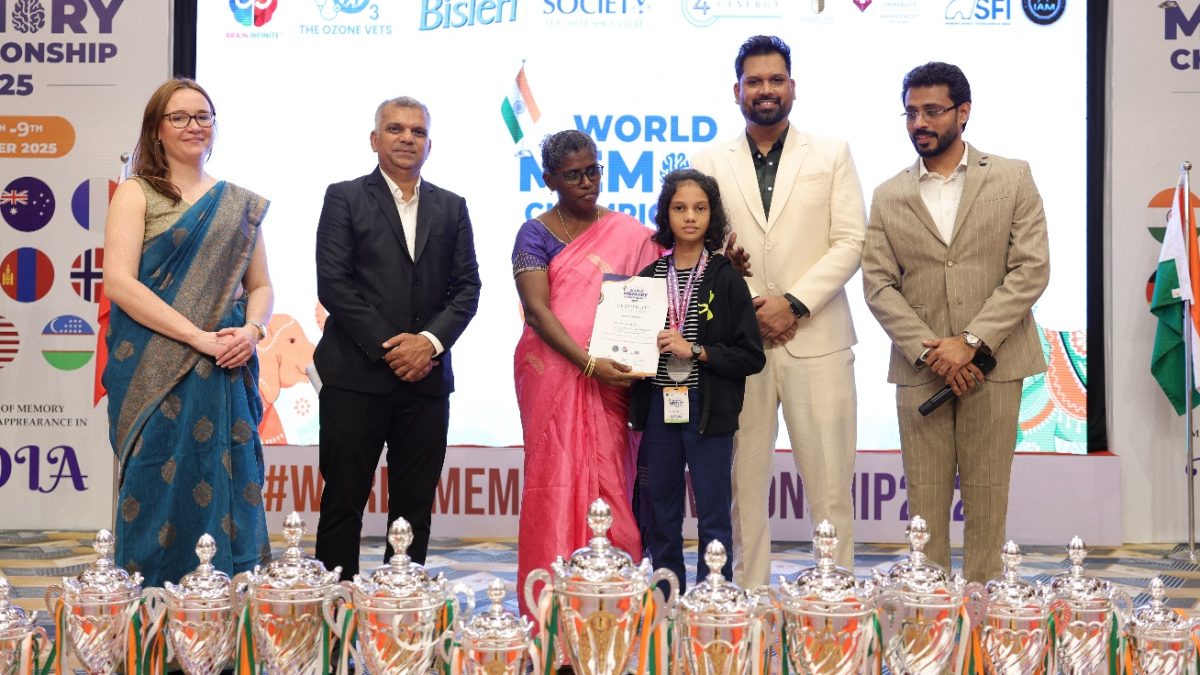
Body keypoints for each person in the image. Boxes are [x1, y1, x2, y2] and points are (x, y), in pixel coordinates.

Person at [861, 62, 1050, 582]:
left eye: (932, 111)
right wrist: (934, 352)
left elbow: (1031, 269)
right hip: (921, 370)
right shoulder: (888, 194)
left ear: (963, 112)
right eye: (910, 112)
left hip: (996, 365)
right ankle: (932, 619)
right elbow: (878, 285)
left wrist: (970, 342)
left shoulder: (1012, 176)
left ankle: (983, 621)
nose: (919, 122)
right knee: (923, 510)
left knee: (988, 504)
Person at [691, 35, 867, 586]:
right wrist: (740, 292)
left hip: (819, 340)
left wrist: (792, 303)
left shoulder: (831, 153)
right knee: (743, 486)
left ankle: (834, 600)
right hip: (739, 347)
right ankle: (749, 599)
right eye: (754, 81)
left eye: (775, 80)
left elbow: (850, 241)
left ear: (792, 87)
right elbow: (698, 246)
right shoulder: (707, 161)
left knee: (831, 487)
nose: (765, 90)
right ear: (736, 90)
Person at [102, 78, 273, 586]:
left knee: (230, 483)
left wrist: (252, 331)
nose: (193, 126)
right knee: (154, 486)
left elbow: (261, 286)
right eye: (179, 117)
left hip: (226, 368)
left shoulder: (237, 204)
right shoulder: (137, 194)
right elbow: (119, 283)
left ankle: (226, 615)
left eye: (203, 116)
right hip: (156, 371)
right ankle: (152, 614)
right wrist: (197, 338)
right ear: (156, 130)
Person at [314, 96, 481, 579]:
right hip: (354, 377)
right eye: (395, 129)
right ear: (374, 139)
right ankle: (338, 608)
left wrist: (426, 343)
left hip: (426, 379)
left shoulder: (452, 206)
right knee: (343, 502)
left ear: (429, 144)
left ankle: (402, 607)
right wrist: (396, 348)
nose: (407, 138)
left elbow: (467, 288)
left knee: (414, 507)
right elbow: (334, 285)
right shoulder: (344, 197)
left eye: (417, 131)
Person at [512, 130, 661, 615]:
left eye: (593, 170)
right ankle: (551, 607)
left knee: (612, 478)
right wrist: (589, 363)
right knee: (553, 480)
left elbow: (663, 288)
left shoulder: (631, 233)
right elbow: (537, 312)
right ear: (549, 179)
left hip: (614, 383)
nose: (587, 182)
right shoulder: (534, 234)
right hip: (552, 375)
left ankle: (612, 608)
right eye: (573, 175)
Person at [629, 169, 764, 591]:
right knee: (660, 509)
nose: (690, 217)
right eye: (680, 208)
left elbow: (751, 355)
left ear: (713, 215)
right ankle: (666, 594)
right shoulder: (648, 278)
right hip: (659, 409)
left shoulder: (726, 277)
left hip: (708, 410)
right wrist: (624, 349)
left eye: (700, 208)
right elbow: (630, 346)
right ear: (665, 214)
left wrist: (697, 350)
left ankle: (713, 597)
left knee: (713, 512)